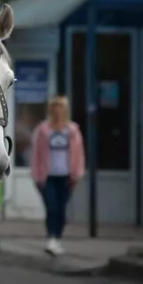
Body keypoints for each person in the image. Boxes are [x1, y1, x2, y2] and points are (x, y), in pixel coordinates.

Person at [30, 96, 86, 255]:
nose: (58, 111)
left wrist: (78, 174)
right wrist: (36, 175)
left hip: (66, 176)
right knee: (51, 207)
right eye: (55, 108)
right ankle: (51, 239)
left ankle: (58, 238)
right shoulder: (43, 129)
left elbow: (79, 154)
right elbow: (36, 154)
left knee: (61, 209)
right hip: (47, 177)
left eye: (61, 108)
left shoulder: (73, 130)